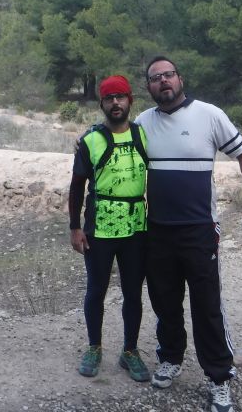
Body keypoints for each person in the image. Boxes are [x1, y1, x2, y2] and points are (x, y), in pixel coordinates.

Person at [135, 56, 242, 412]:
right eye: (156, 78)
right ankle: (171, 358)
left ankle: (219, 377)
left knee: (207, 305)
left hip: (199, 230)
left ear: (180, 79)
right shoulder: (143, 123)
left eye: (168, 75)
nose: (163, 81)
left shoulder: (209, 115)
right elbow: (117, 149)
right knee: (164, 301)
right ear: (148, 87)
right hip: (157, 230)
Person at [68, 75, 151, 382]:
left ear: (130, 100)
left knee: (133, 292)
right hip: (100, 228)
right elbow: (77, 186)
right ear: (102, 104)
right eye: (109, 98)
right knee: (96, 289)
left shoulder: (143, 135)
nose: (115, 103)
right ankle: (94, 347)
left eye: (120, 97)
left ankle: (130, 350)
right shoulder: (91, 141)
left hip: (136, 227)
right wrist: (75, 227)